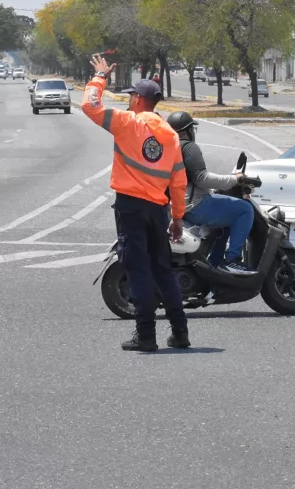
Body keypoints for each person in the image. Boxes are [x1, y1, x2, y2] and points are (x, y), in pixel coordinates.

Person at [82, 54, 190, 353]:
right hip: (158, 210)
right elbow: (178, 181)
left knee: (138, 270)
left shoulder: (127, 123)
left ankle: (146, 336)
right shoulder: (170, 136)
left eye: (131, 96)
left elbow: (89, 105)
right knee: (163, 271)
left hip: (131, 208)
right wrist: (177, 218)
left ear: (140, 100)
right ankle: (180, 333)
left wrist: (100, 77)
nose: (129, 100)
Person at [166, 111, 255, 275]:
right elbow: (202, 178)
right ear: (189, 130)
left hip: (175, 206)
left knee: (224, 223)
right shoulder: (188, 147)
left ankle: (213, 266)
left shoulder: (167, 147)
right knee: (245, 209)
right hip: (195, 206)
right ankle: (232, 260)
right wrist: (235, 178)